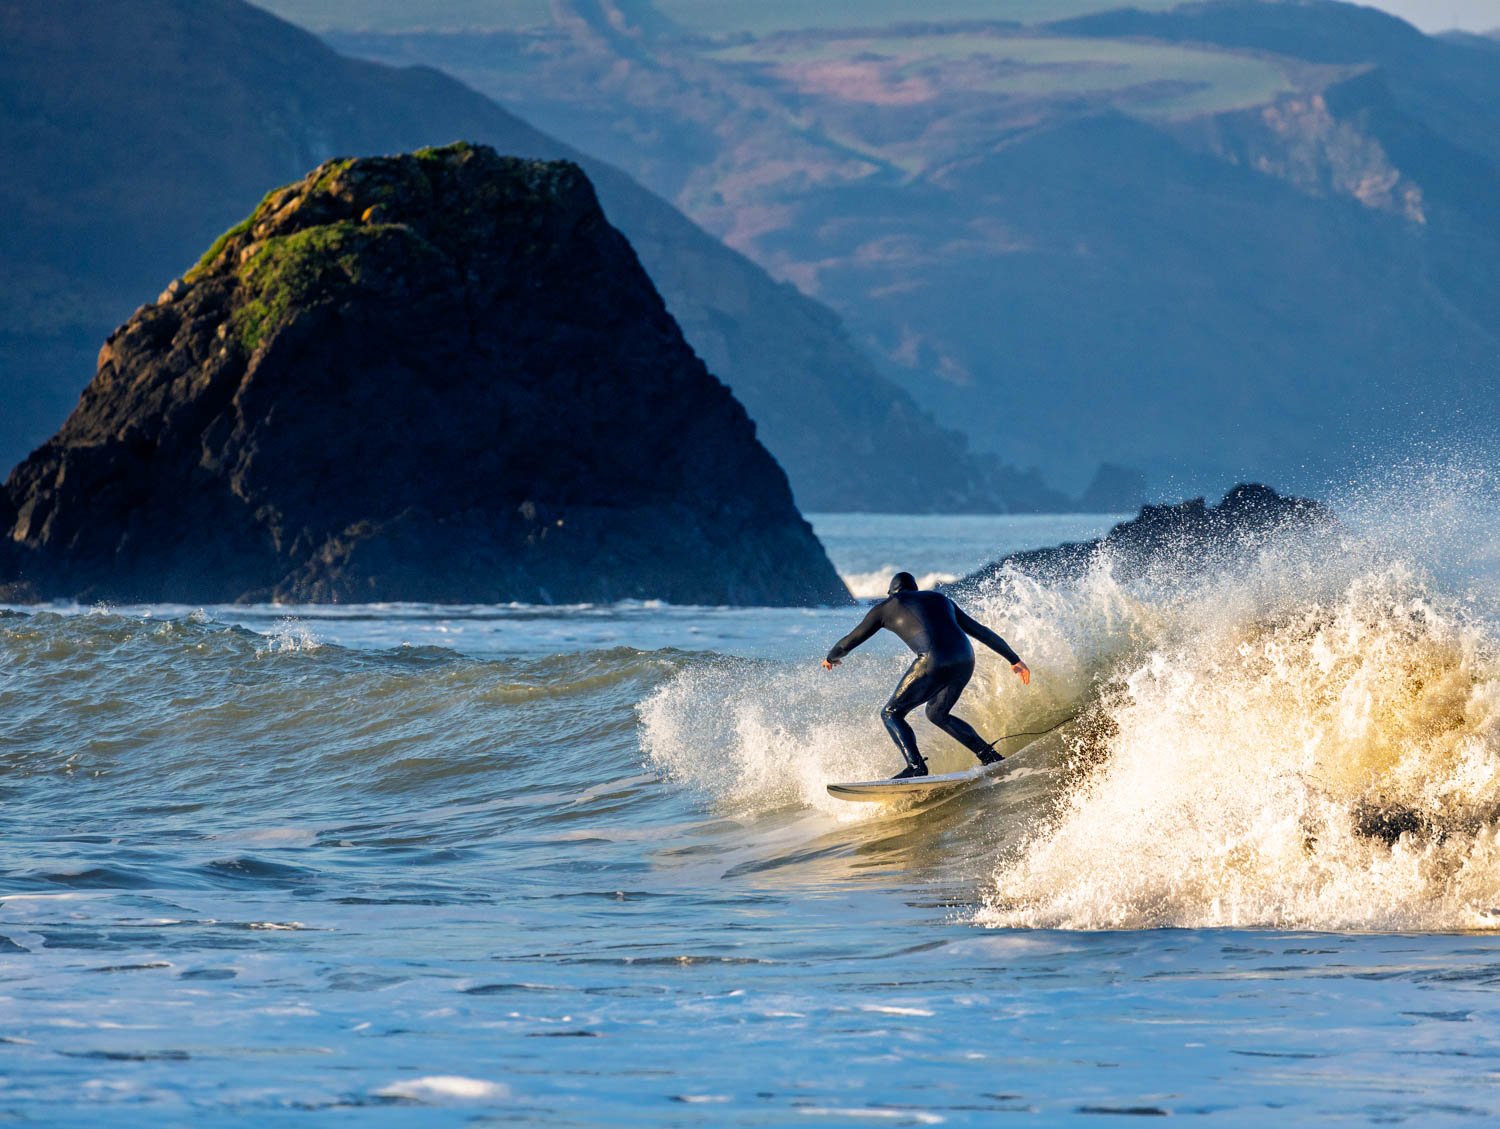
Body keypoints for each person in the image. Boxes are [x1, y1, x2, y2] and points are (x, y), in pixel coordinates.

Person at [822, 572, 1030, 779]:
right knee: (937, 713)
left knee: (891, 713)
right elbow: (980, 631)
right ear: (915, 589)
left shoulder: (885, 608)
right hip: (965, 659)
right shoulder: (940, 599)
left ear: (891, 592)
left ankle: (916, 767)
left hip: (934, 659)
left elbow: (849, 640)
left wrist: (831, 658)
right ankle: (990, 756)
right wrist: (1014, 659)